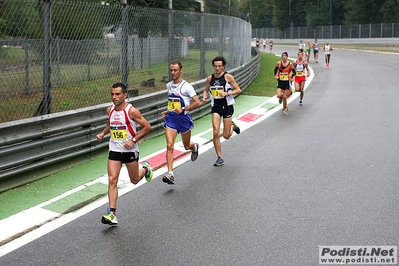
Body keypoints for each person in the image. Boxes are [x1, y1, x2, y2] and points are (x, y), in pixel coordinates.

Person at [96, 82, 153, 225]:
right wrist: (103, 133)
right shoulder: (109, 110)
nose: (114, 97)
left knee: (134, 180)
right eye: (112, 94)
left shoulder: (132, 111)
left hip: (130, 151)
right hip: (114, 149)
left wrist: (133, 140)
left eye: (117, 94)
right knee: (112, 179)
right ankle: (112, 213)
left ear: (125, 95)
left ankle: (145, 169)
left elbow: (147, 127)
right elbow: (111, 124)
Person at [161, 61, 201, 184]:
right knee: (169, 145)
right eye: (171, 70)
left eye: (175, 70)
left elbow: (197, 102)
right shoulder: (169, 85)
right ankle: (170, 174)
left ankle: (194, 147)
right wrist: (168, 110)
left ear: (181, 70)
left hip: (183, 120)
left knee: (186, 146)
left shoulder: (186, 86)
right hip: (171, 119)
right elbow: (172, 102)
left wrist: (183, 109)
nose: (173, 72)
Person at [202, 56, 241, 166]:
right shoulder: (210, 78)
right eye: (215, 66)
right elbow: (205, 90)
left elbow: (238, 89)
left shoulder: (228, 77)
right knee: (215, 132)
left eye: (219, 66)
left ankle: (232, 126)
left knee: (226, 136)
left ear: (223, 66)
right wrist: (204, 97)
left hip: (227, 106)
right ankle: (219, 157)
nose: (217, 68)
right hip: (216, 107)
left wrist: (227, 93)